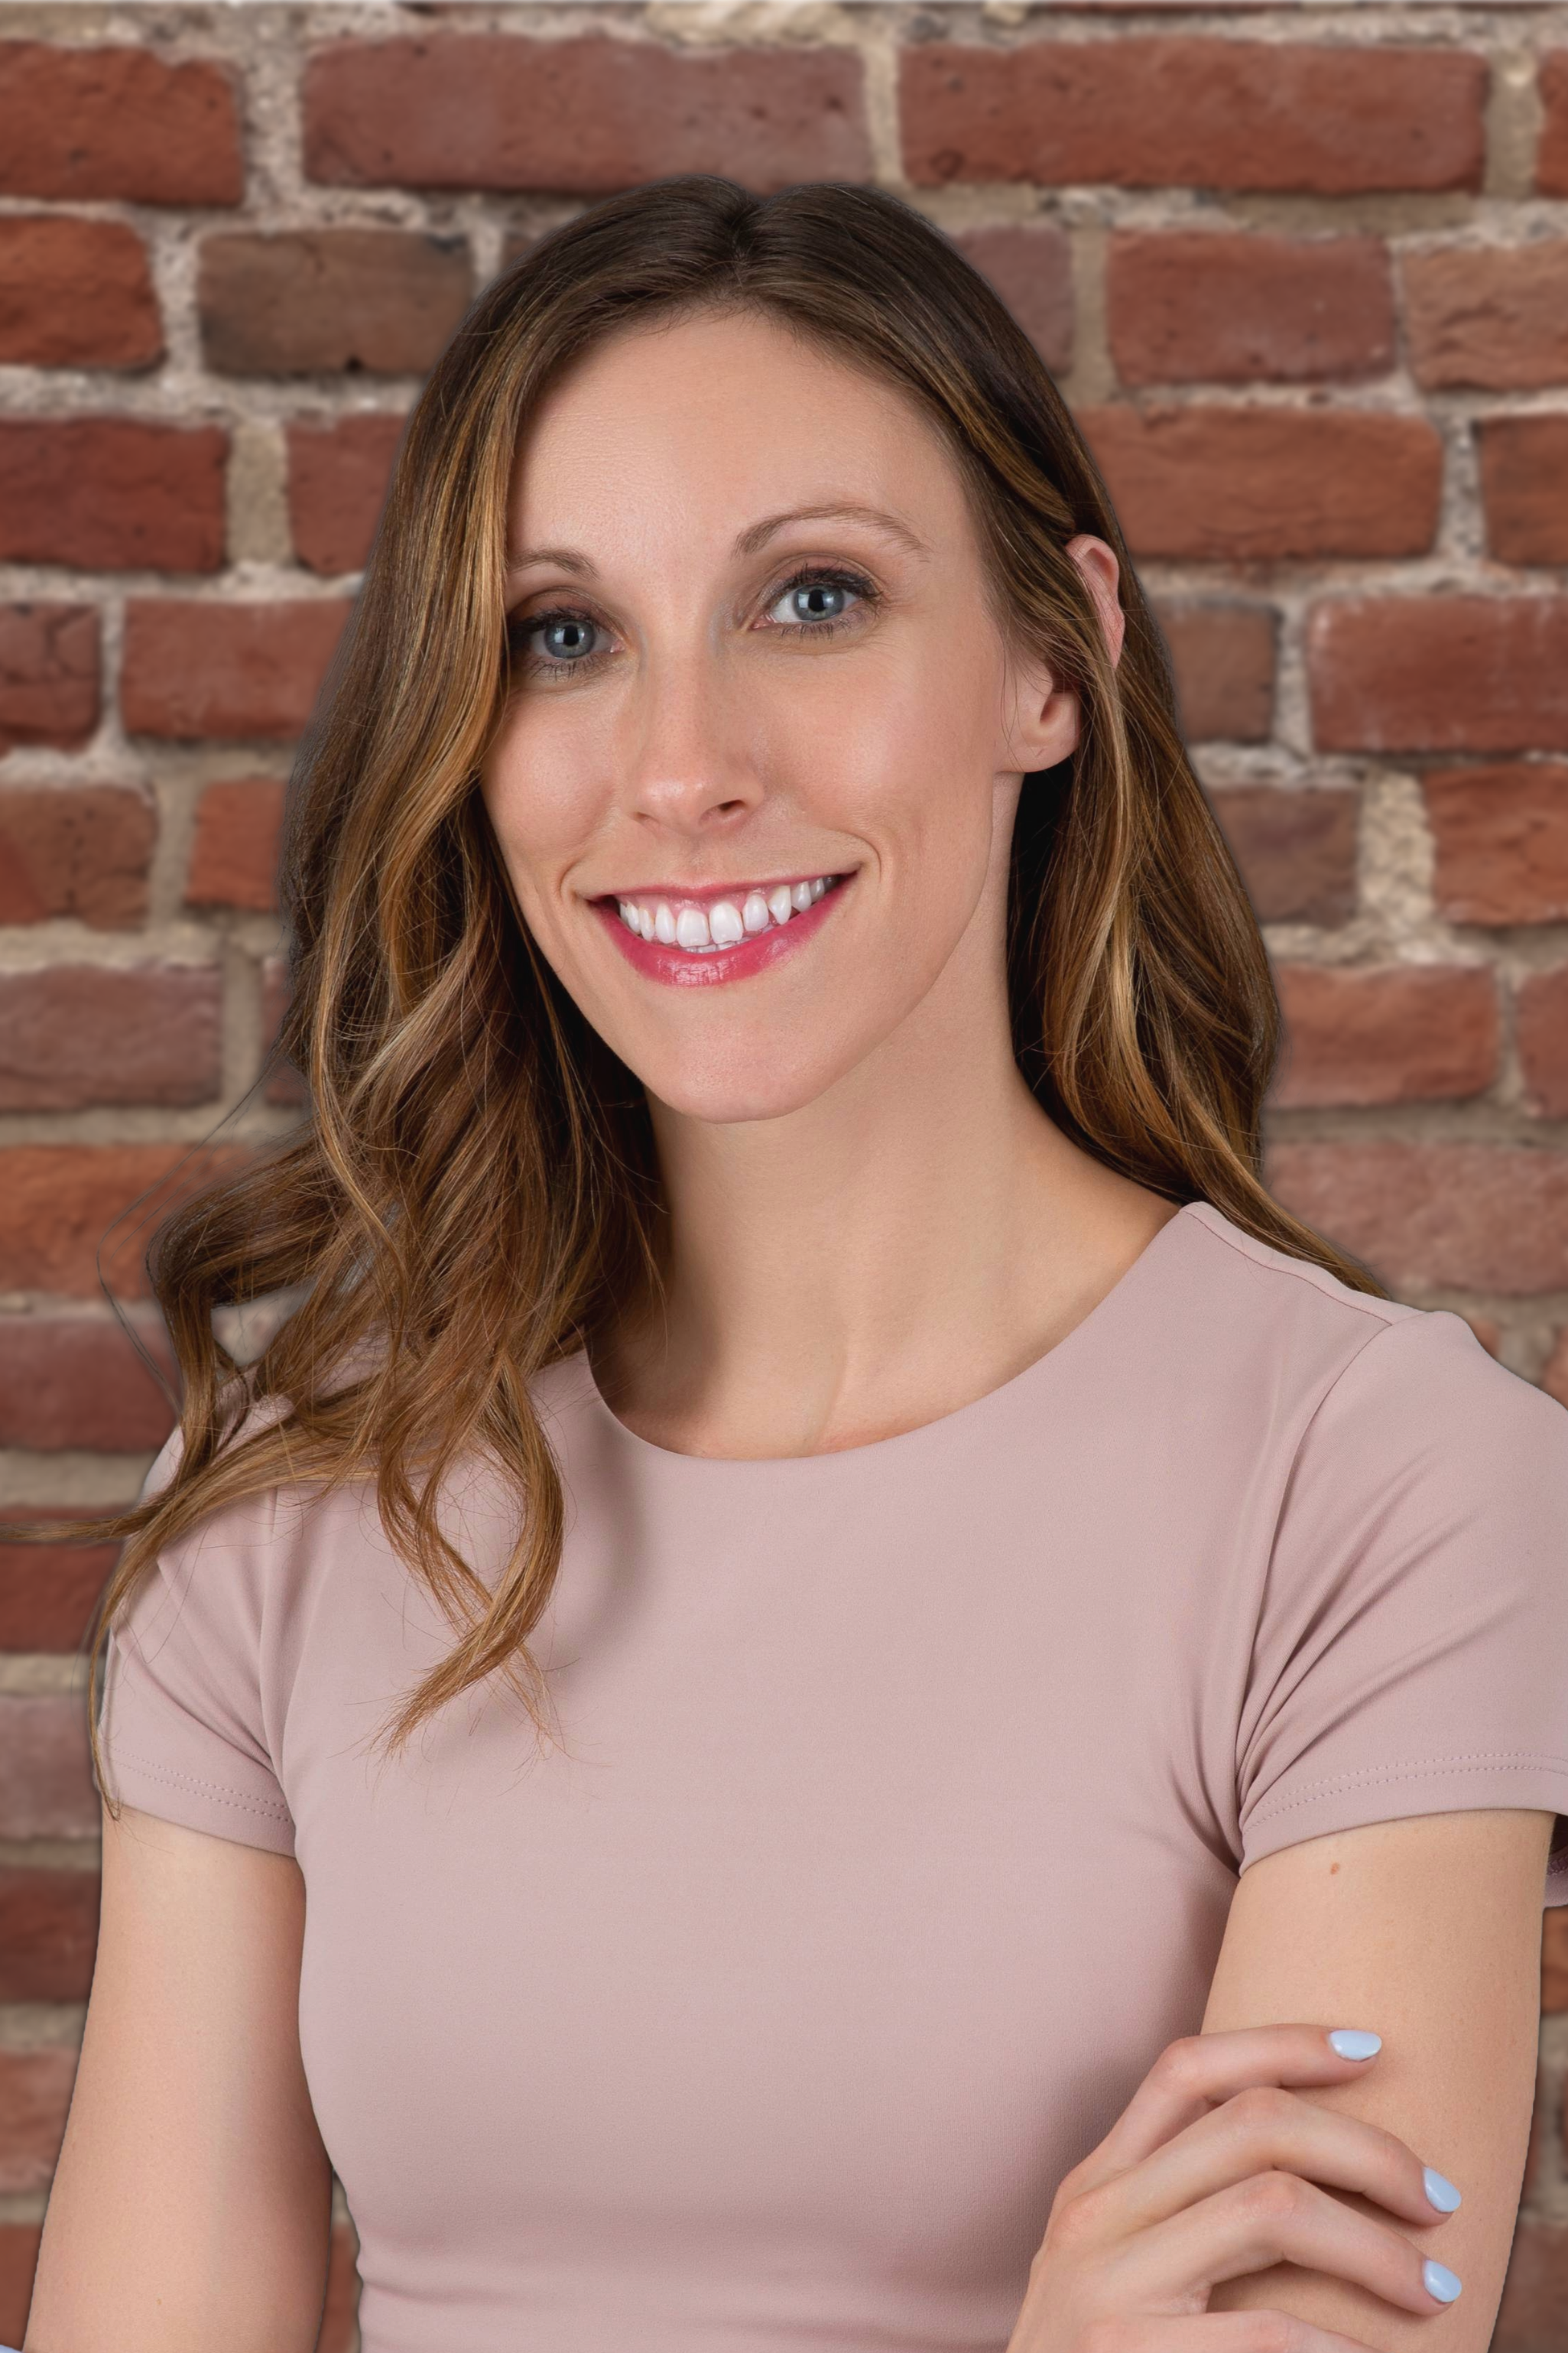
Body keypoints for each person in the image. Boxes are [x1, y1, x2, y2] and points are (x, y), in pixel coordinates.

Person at [19, 176, 1568, 2353]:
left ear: (1056, 658)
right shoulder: (305, 1491)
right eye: (565, 635)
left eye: (814, 598)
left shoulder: (1381, 1490)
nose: (681, 767)